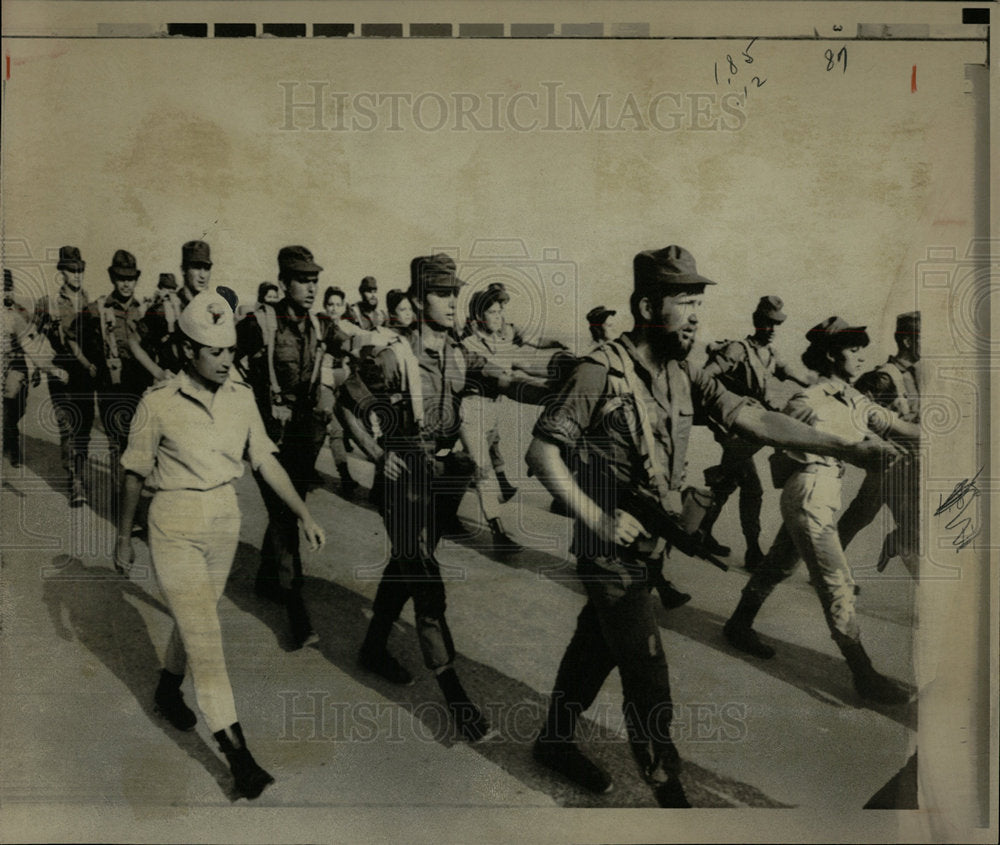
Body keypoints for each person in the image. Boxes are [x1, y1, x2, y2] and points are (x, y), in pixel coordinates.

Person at [526, 246, 906, 806]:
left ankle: (553, 741)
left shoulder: (685, 372)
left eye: (701, 302)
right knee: (647, 673)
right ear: (648, 304)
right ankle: (672, 797)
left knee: (595, 646)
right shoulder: (598, 372)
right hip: (607, 545)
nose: (698, 315)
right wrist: (598, 519)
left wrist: (845, 445)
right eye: (686, 303)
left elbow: (756, 416)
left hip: (652, 541)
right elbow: (542, 454)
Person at [114, 290, 325, 800]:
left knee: (199, 614)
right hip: (174, 523)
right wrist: (123, 537)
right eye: (215, 352)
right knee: (206, 637)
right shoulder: (157, 402)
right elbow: (134, 474)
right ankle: (240, 759)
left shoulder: (241, 396)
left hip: (224, 518)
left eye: (231, 349)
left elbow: (266, 461)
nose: (227, 360)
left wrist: (304, 513)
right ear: (189, 350)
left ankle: (169, 688)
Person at [347, 253, 549, 741]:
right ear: (418, 301)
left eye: (456, 293)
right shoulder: (394, 355)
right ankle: (456, 697)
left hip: (442, 478)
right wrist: (377, 453)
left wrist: (555, 389)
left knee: (408, 563)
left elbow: (504, 379)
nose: (454, 302)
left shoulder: (457, 353)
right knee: (428, 584)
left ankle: (373, 648)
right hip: (403, 478)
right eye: (443, 294)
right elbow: (347, 402)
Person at [722, 316, 919, 706]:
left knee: (779, 562)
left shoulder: (854, 399)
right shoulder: (806, 401)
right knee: (836, 582)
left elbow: (899, 426)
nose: (861, 356)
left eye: (862, 348)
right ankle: (863, 674)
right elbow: (768, 434)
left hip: (824, 492)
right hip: (807, 489)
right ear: (831, 355)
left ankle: (738, 623)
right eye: (852, 349)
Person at [237, 245, 328, 648]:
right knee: (287, 516)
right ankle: (296, 612)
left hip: (303, 438)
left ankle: (264, 579)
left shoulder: (318, 326)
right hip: (267, 438)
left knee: (284, 512)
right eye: (303, 281)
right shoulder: (259, 324)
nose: (311, 288)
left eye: (314, 281)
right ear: (282, 283)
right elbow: (220, 358)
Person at [697, 295, 813, 568]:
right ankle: (752, 551)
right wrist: (725, 407)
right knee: (753, 489)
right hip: (734, 429)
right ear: (757, 322)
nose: (772, 329)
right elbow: (703, 377)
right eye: (768, 323)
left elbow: (794, 375)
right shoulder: (738, 350)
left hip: (750, 433)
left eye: (776, 324)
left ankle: (701, 532)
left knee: (727, 483)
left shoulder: (770, 354)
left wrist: (819, 388)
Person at [459, 282, 548, 552]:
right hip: (471, 410)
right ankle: (498, 532)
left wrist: (557, 374)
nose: (499, 317)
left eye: (500, 311)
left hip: (492, 410)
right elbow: (503, 376)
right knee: (482, 469)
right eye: (493, 312)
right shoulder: (468, 344)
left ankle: (442, 515)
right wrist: (540, 391)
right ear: (479, 316)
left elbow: (523, 364)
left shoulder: (501, 339)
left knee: (470, 467)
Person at [837, 311, 921, 575]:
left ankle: (827, 566)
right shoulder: (884, 377)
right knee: (874, 518)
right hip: (889, 466)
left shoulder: (914, 375)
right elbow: (852, 411)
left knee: (860, 515)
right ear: (908, 341)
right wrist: (873, 443)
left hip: (907, 465)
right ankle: (826, 567)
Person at [69, 250, 152, 509]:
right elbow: (72, 336)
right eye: (120, 278)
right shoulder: (97, 309)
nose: (126, 283)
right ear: (112, 278)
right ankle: (122, 503)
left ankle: (131, 498)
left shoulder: (143, 310)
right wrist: (87, 364)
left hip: (139, 388)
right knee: (118, 444)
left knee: (138, 444)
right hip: (111, 388)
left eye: (131, 278)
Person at [32, 246, 94, 505]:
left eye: (80, 269)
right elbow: (34, 339)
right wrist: (38, 367)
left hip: (85, 373)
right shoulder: (48, 304)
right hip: (61, 371)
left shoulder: (89, 302)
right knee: (67, 424)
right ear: (62, 272)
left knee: (85, 426)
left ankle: (79, 468)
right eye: (71, 270)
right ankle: (75, 482)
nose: (77, 274)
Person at [139, 240, 213, 375]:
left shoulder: (210, 308)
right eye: (196, 267)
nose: (202, 275)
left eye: (206, 268)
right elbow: (134, 341)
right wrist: (158, 373)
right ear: (183, 269)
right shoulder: (166, 308)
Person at [315, 285, 360, 495]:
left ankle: (307, 468)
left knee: (336, 428)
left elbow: (365, 340)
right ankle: (345, 477)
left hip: (341, 381)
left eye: (337, 304)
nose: (333, 308)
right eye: (330, 304)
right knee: (332, 429)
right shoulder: (318, 325)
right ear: (325, 306)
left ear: (344, 306)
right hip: (322, 380)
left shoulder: (348, 327)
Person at [3, 269, 36, 466]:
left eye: (8, 289)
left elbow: (34, 341)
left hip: (18, 364)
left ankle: (10, 433)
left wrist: (38, 368)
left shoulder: (21, 311)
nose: (6, 293)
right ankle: (12, 443)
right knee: (7, 406)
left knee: (18, 407)